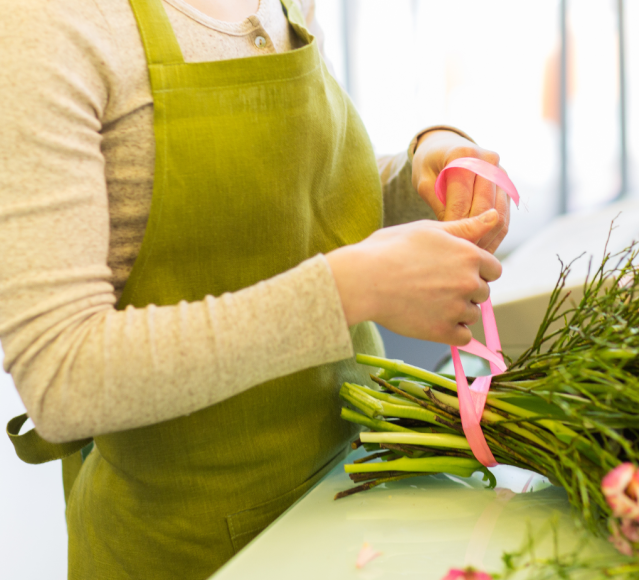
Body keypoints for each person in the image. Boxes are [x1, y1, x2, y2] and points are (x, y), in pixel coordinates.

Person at [0, 0, 512, 578]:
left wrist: (424, 168)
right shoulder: (48, 25)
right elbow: (62, 378)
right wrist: (349, 290)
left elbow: (289, 205)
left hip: (366, 487)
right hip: (193, 550)